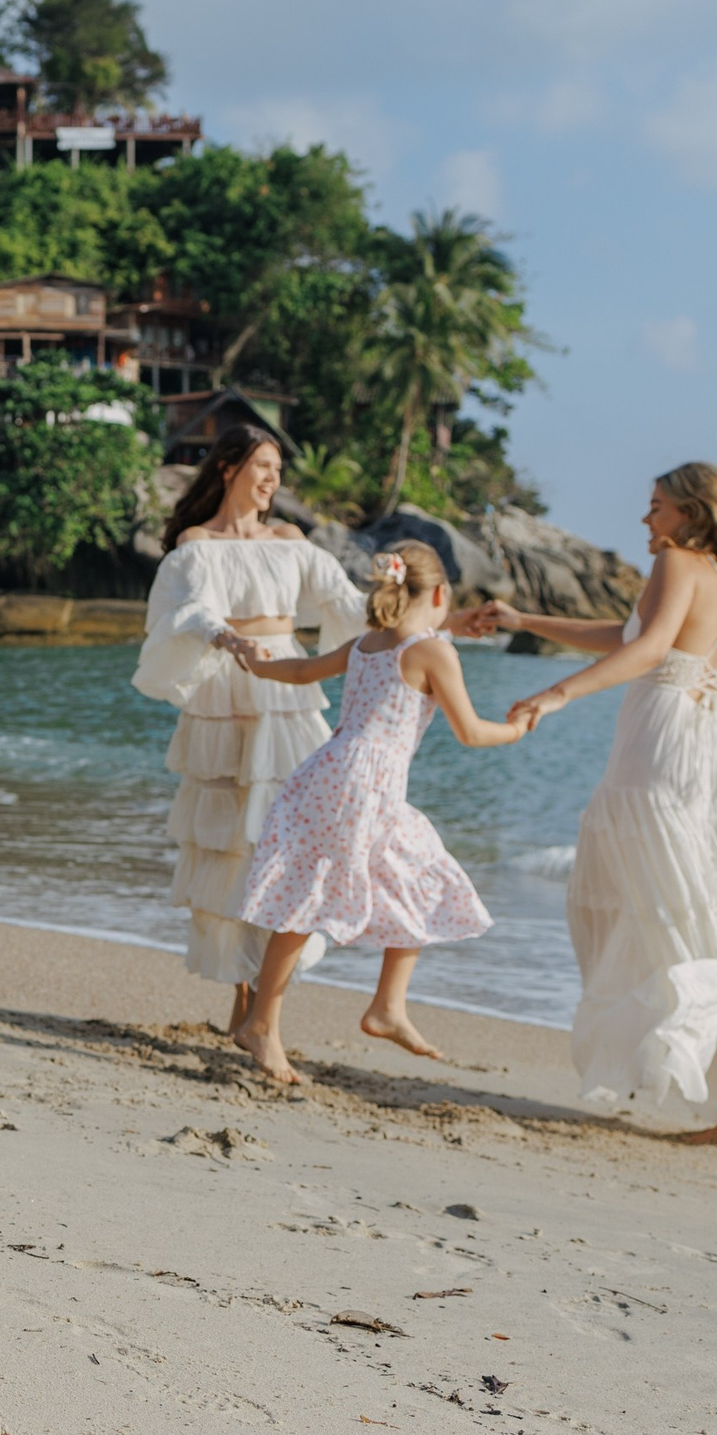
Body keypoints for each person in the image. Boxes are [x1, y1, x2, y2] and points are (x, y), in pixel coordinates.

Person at [459, 462, 717, 1158]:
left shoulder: (679, 560)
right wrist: (526, 621)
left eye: (657, 507)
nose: (647, 521)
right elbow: (634, 637)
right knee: (706, 906)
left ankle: (716, 1089)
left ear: (691, 512)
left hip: (666, 738)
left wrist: (554, 695)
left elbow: (646, 650)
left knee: (658, 902)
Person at [221, 543, 527, 1083]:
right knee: (320, 896)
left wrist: (258, 666)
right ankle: (263, 1025)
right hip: (364, 785)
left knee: (410, 874)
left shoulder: (368, 644)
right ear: (438, 594)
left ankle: (385, 1007)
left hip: (333, 771)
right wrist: (518, 729)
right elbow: (471, 732)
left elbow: (303, 671)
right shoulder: (433, 652)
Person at [134, 426, 366, 1033]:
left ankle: (264, 1003)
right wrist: (226, 637)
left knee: (300, 832)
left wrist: (413, 613)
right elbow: (190, 607)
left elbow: (347, 604)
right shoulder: (196, 542)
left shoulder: (291, 540)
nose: (273, 479)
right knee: (233, 846)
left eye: (279, 469)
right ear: (228, 468)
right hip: (226, 691)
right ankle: (246, 1006)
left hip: (287, 692)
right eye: (263, 465)